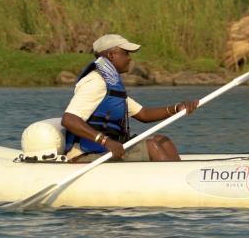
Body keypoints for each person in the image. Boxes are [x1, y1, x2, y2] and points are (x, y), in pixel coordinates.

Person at [61, 33, 198, 162]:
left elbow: (143, 114)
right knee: (152, 146)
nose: (129, 58)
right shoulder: (96, 82)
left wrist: (176, 108)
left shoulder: (111, 84)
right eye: (126, 53)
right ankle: (174, 182)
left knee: (162, 140)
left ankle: (180, 176)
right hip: (85, 155)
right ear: (111, 55)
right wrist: (106, 141)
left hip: (107, 149)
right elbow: (69, 119)